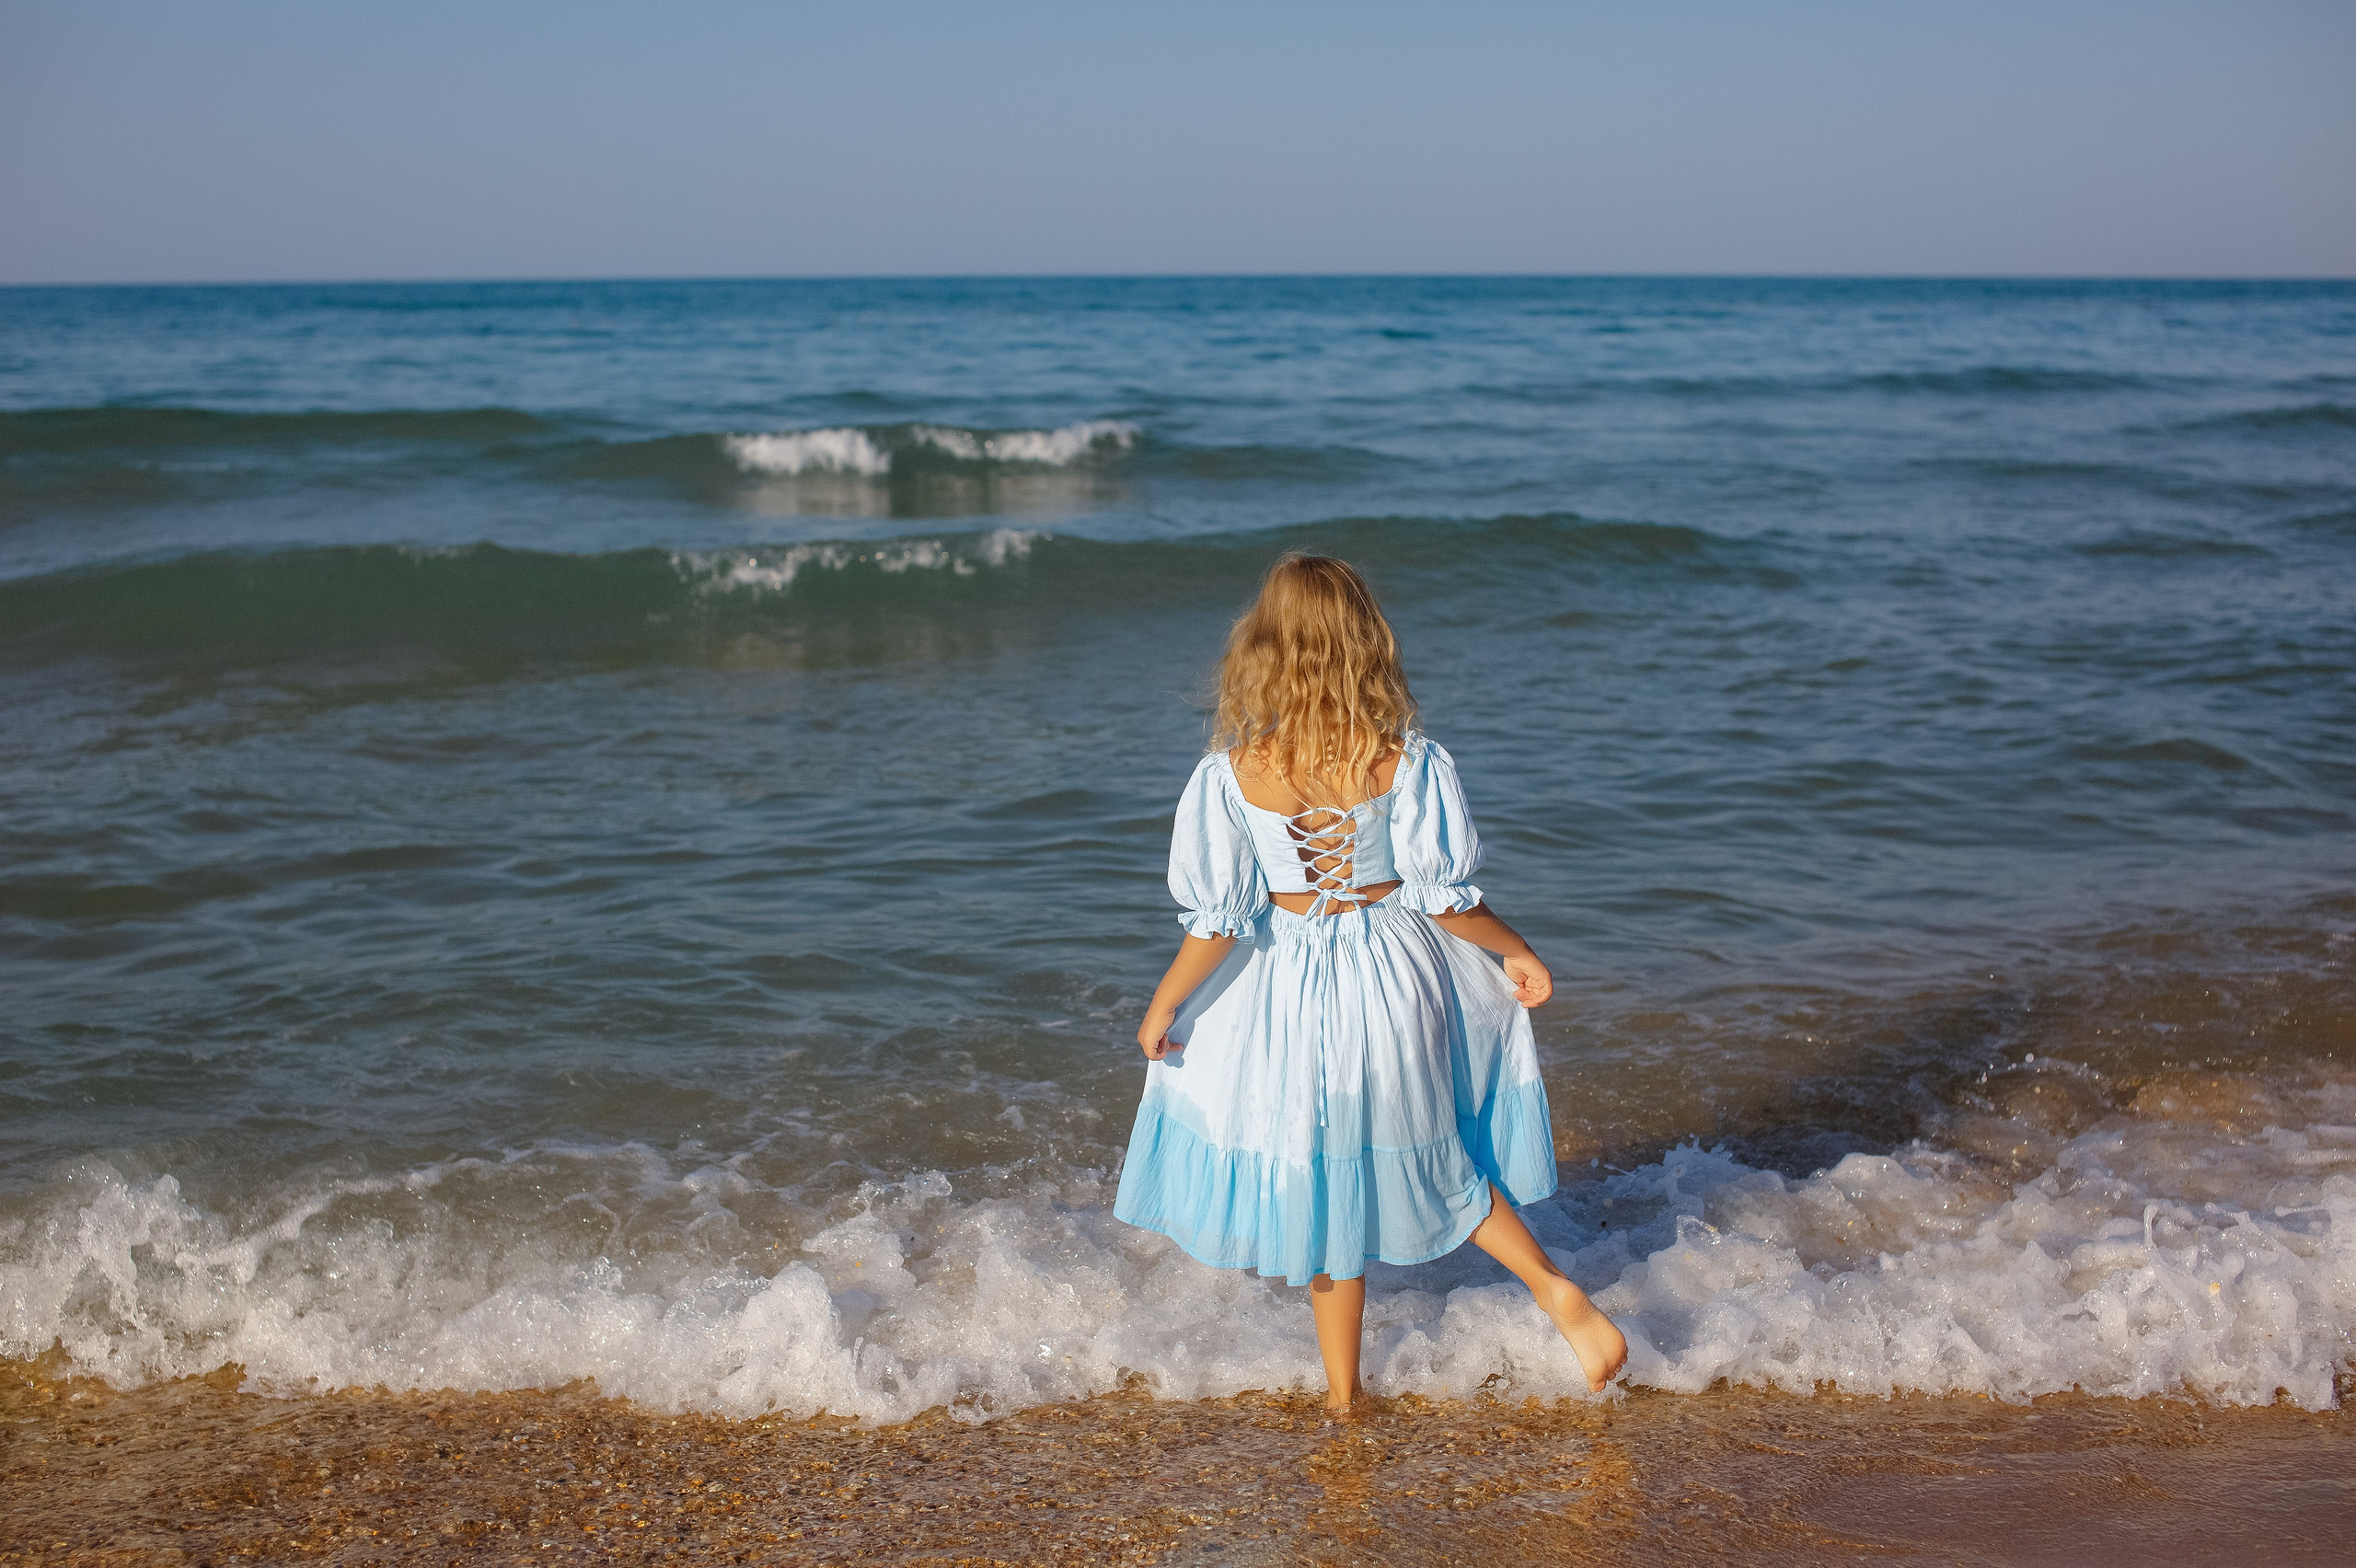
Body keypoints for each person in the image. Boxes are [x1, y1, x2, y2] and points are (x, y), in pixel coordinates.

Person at [1113, 552, 1628, 1412]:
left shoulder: (1237, 772)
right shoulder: (1403, 760)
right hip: (1394, 972)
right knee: (1437, 1150)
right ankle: (1555, 1291)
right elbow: (1446, 900)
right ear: (1365, 642)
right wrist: (1516, 949)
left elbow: (1221, 920)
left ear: (1263, 647)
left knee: (1321, 1175)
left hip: (1290, 987)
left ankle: (1345, 1398)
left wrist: (1165, 1003)